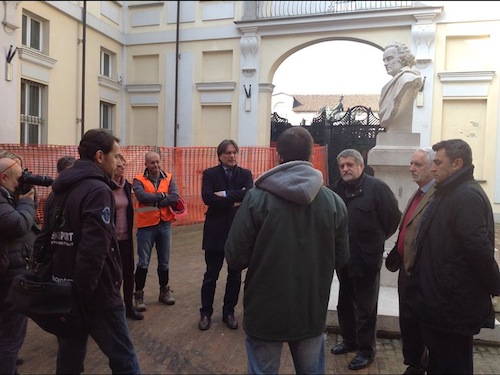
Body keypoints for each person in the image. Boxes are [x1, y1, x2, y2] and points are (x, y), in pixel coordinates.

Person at [225, 127, 350, 374]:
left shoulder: (256, 198)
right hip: (310, 309)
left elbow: (235, 257)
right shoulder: (334, 202)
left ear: (278, 156)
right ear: (312, 156)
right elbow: (342, 258)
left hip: (264, 309)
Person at [35, 128, 140, 373]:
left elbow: (44, 240)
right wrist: (81, 295)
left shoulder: (58, 190)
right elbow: (94, 250)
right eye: (116, 156)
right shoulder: (98, 190)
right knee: (124, 360)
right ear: (100, 156)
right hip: (97, 294)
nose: (119, 162)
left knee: (69, 361)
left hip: (63, 289)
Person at [407, 139, 500, 374]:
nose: (433, 167)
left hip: (452, 307)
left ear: (457, 164)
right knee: (439, 364)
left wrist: (496, 285)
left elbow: (478, 251)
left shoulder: (466, 196)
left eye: (438, 162)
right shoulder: (447, 192)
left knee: (454, 365)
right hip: (439, 303)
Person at [329, 148, 401, 371]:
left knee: (365, 307)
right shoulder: (336, 189)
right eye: (342, 166)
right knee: (344, 303)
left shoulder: (377, 188)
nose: (345, 169)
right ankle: (349, 340)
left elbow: (392, 218)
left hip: (367, 259)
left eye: (350, 164)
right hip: (343, 259)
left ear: (361, 165)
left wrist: (375, 241)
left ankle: (365, 350)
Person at [385, 147, 435, 374]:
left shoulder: (436, 195)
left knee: (420, 321)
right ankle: (413, 362)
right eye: (411, 163)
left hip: (421, 272)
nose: (412, 168)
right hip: (406, 269)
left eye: (418, 164)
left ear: (433, 168)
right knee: (407, 319)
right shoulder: (418, 192)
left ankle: (420, 364)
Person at [198, 139, 254, 331]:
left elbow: (250, 195)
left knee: (235, 276)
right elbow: (207, 198)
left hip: (237, 232)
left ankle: (228, 313)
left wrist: (222, 195)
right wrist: (234, 199)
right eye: (227, 153)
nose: (232, 156)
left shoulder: (245, 174)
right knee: (210, 276)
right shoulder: (210, 174)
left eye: (234, 152)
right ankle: (205, 313)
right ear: (220, 155)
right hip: (215, 232)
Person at [0, 156, 37, 374]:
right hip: (9, 274)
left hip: (10, 268)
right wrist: (26, 201)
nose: (20, 183)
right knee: (10, 336)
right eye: (18, 178)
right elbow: (19, 224)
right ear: (4, 177)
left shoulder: (6, 196)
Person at [133, 151, 180, 311]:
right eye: (152, 163)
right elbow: (141, 196)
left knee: (164, 261)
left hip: (165, 224)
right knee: (143, 261)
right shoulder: (138, 179)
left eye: (158, 162)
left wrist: (158, 201)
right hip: (146, 226)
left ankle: (164, 291)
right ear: (146, 164)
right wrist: (161, 196)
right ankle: (138, 295)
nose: (156, 165)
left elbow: (174, 197)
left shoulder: (169, 177)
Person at [112, 154, 143, 321]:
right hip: (110, 240)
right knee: (112, 275)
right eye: (118, 165)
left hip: (126, 238)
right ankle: (114, 309)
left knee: (128, 273)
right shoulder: (104, 187)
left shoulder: (127, 186)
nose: (122, 168)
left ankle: (129, 307)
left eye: (123, 165)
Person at [379, 42, 423, 131]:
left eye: (389, 58)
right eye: (384, 60)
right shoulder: (389, 85)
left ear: (402, 59)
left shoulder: (408, 79)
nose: (385, 63)